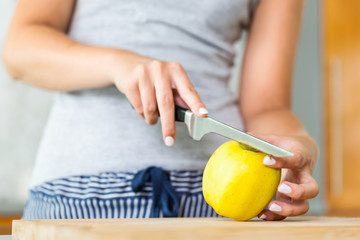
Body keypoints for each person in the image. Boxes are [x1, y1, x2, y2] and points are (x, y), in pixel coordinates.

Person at [2, 0, 319, 221]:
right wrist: (118, 64)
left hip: (215, 202)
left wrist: (298, 144)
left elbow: (268, 105)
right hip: (75, 197)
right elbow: (19, 50)